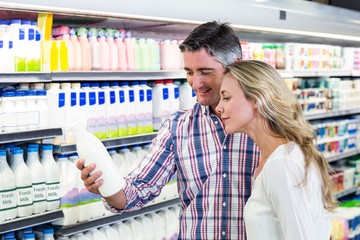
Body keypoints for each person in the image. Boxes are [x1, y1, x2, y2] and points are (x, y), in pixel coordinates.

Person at [77, 21, 260, 239]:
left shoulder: (267, 122)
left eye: (205, 71)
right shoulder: (178, 128)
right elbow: (138, 189)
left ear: (235, 65)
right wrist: (106, 187)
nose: (196, 83)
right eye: (190, 72)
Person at [215, 60, 337, 240]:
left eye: (226, 97)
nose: (218, 107)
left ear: (256, 99)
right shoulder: (276, 158)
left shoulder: (281, 163)